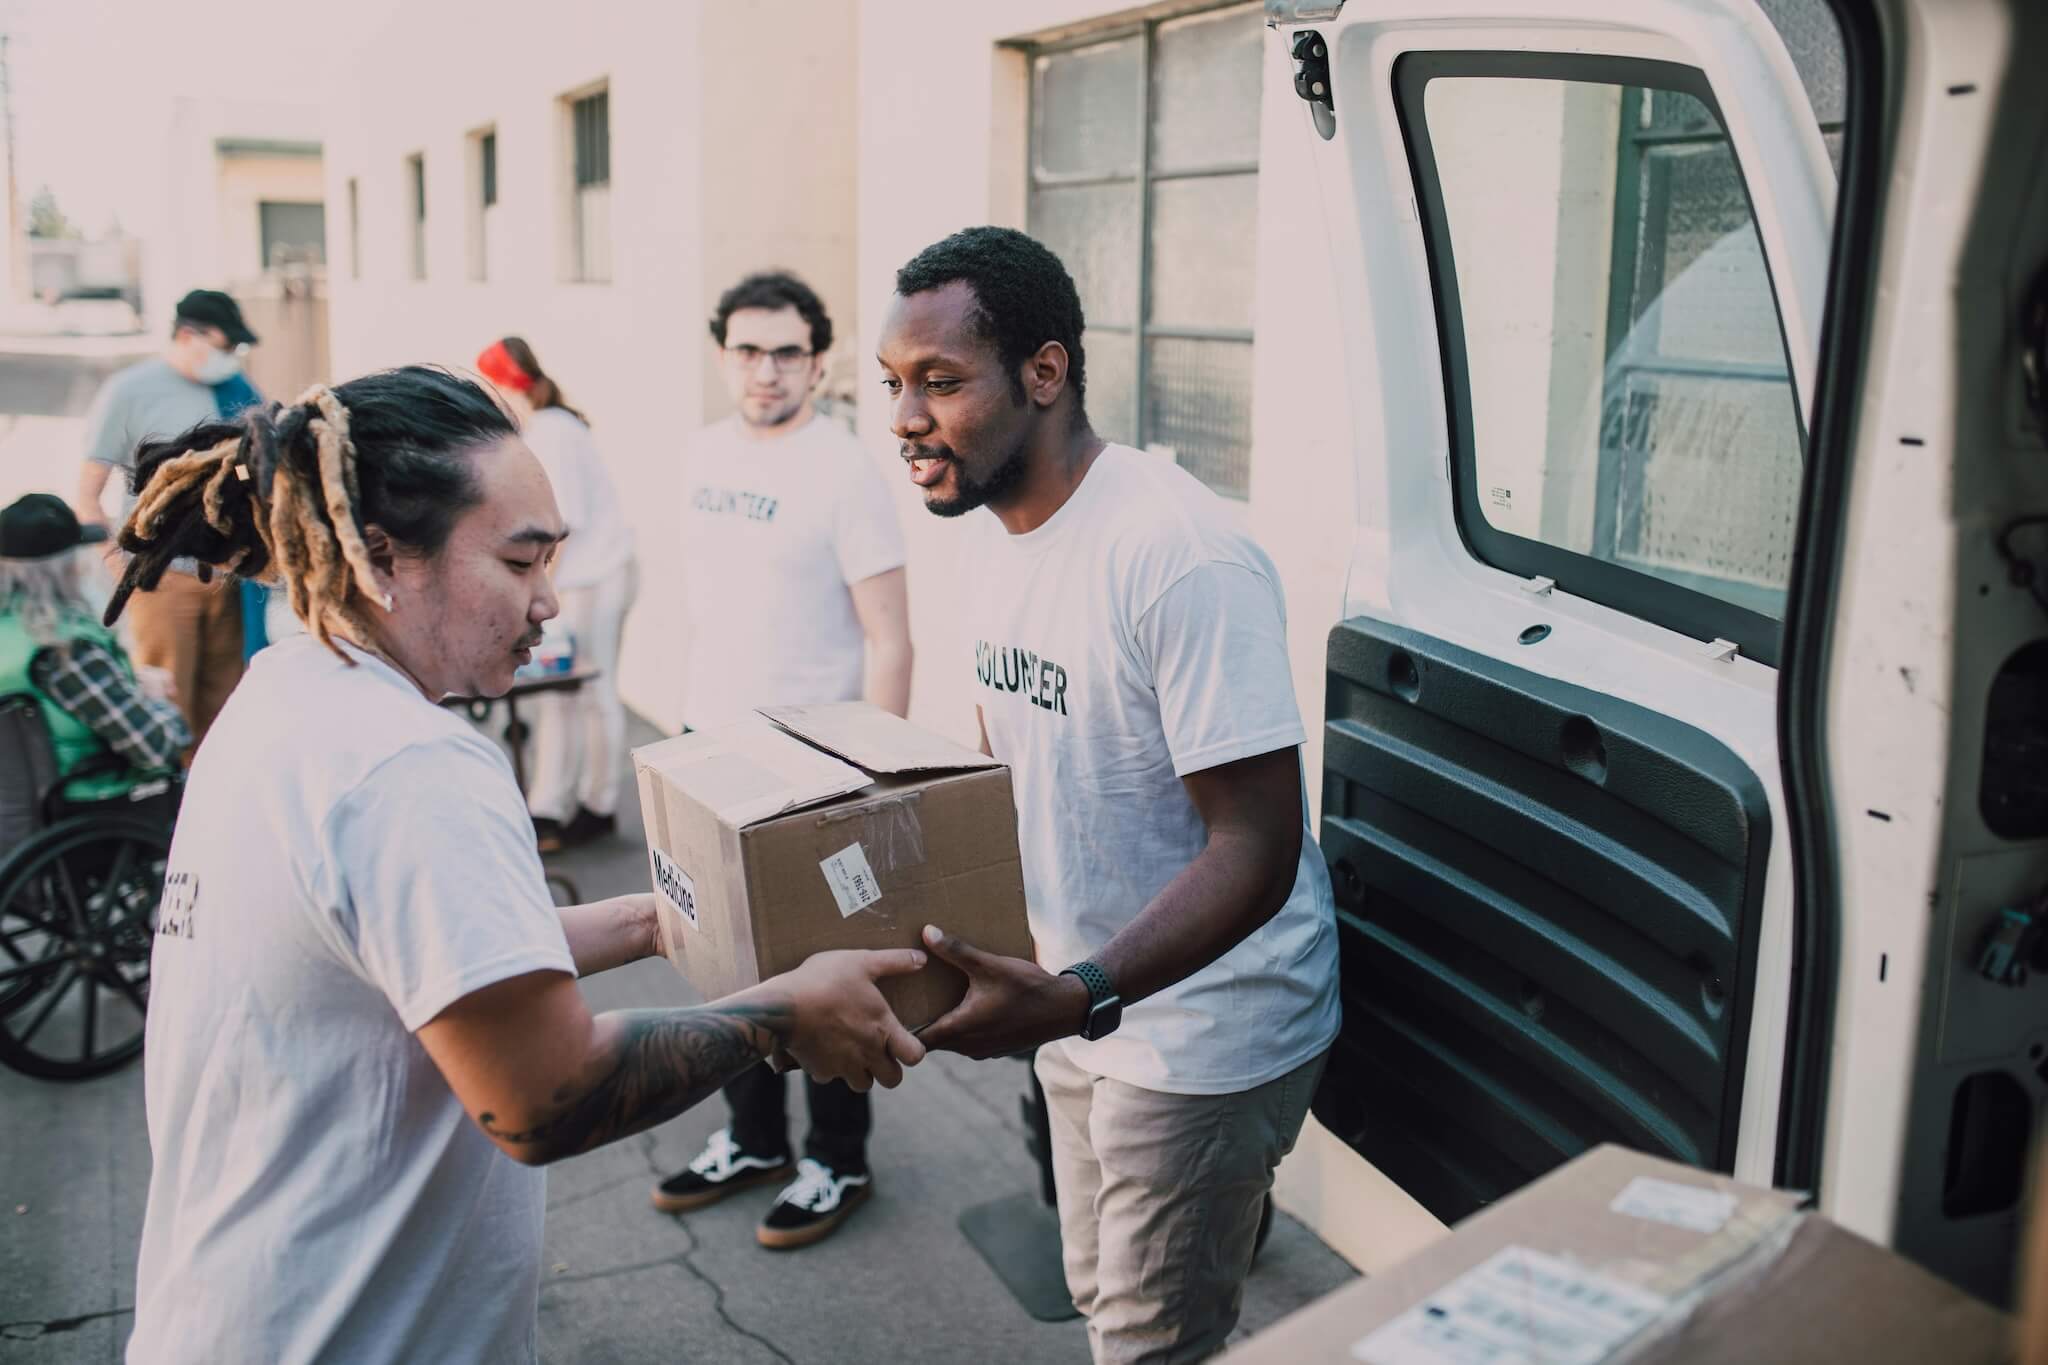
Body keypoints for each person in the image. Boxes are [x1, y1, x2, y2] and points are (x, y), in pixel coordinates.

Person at [116, 367, 929, 1364]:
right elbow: (546, 1096)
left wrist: (652, 921)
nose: (548, 603)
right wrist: (789, 1013)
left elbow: (424, 966)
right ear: (382, 559)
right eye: (518, 562)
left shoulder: (291, 695)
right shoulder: (410, 766)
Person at [878, 227, 1341, 1364]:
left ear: (1044, 373)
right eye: (891, 385)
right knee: (1101, 1292)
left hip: (1198, 1032)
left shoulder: (1174, 553)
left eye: (939, 383)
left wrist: (1079, 990)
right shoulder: (991, 537)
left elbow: (1255, 844)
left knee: (1145, 1341)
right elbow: (1013, 771)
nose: (903, 418)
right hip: (1079, 1006)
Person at [650, 271, 913, 1250]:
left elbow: (889, 637)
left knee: (833, 976)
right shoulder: (699, 455)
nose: (766, 370)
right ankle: (754, 1142)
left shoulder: (843, 467)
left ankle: (836, 1159)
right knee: (727, 971)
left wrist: (876, 794)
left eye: (787, 352)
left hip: (818, 772)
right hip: (709, 753)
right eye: (749, 350)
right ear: (724, 352)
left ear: (818, 359)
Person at [73, 289, 264, 748]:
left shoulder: (236, 392)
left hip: (228, 576)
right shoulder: (130, 391)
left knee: (226, 709)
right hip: (162, 580)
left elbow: (252, 469)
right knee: (168, 703)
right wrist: (123, 568)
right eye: (223, 347)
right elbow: (87, 494)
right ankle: (168, 811)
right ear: (186, 335)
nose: (230, 358)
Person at [475, 337, 638, 852]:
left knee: (592, 690)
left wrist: (530, 586)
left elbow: (557, 528)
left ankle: (598, 804)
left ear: (507, 386)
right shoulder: (545, 429)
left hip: (596, 575)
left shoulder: (553, 433)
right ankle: (550, 805)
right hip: (580, 574)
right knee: (564, 695)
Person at [0, 494, 188, 843]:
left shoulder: (12, 637)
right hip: (88, 811)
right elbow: (153, 746)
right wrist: (156, 701)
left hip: (18, 824)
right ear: (66, 568)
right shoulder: (64, 652)